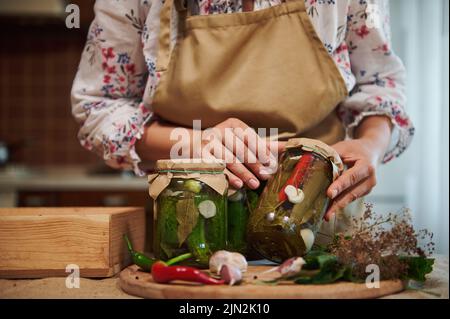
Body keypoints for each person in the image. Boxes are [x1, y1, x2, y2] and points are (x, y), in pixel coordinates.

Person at [71, 0, 413, 224]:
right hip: (188, 232)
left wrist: (370, 144)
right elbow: (99, 108)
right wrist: (197, 144)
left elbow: (380, 85)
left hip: (317, 224)